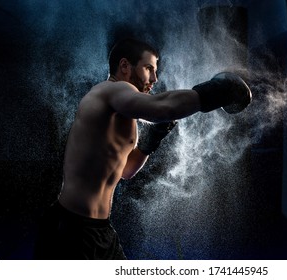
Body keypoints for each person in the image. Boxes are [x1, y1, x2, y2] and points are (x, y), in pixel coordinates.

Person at [33, 37, 251, 260]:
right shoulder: (109, 91)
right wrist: (218, 91)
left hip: (101, 229)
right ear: (125, 66)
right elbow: (162, 107)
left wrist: (150, 142)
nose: (155, 78)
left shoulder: (122, 113)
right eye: (149, 69)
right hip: (70, 229)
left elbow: (126, 171)